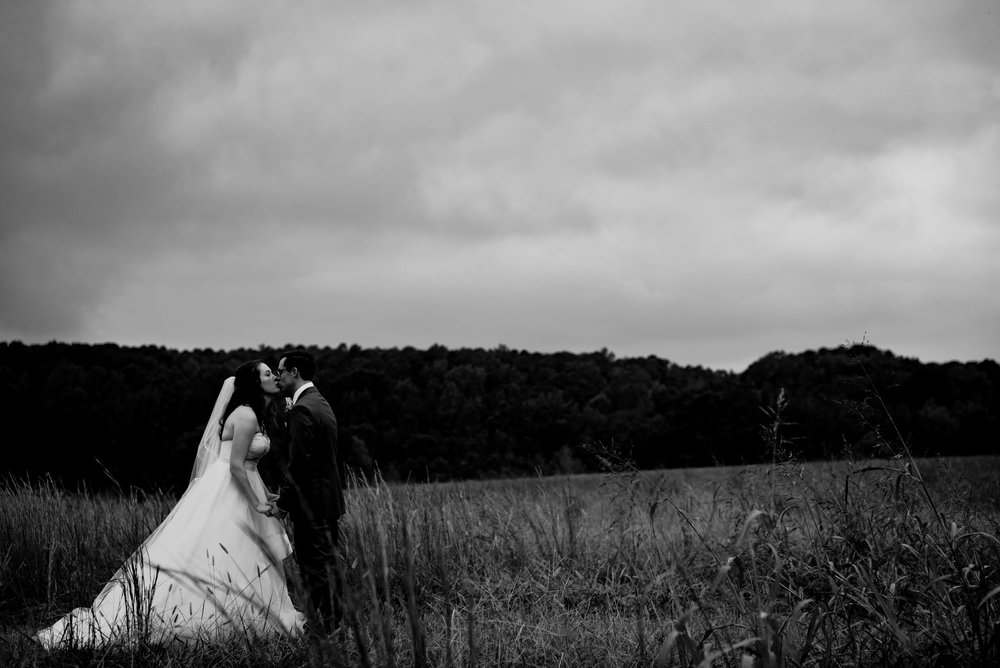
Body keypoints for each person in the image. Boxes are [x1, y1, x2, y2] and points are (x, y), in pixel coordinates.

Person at [36, 361, 305, 648]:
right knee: (219, 549)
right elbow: (237, 467)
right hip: (230, 489)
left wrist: (264, 494)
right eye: (267, 373)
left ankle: (252, 611)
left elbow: (248, 468)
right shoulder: (248, 415)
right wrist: (256, 504)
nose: (275, 377)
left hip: (241, 485)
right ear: (254, 383)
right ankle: (209, 615)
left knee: (245, 553)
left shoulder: (254, 414)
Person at [272, 349, 345, 631]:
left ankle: (326, 627)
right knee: (326, 563)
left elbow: (298, 465)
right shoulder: (320, 402)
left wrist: (284, 503)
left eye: (281, 371)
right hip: (328, 501)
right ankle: (332, 620)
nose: (278, 376)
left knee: (315, 567)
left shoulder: (303, 409)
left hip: (312, 505)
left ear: (294, 373)